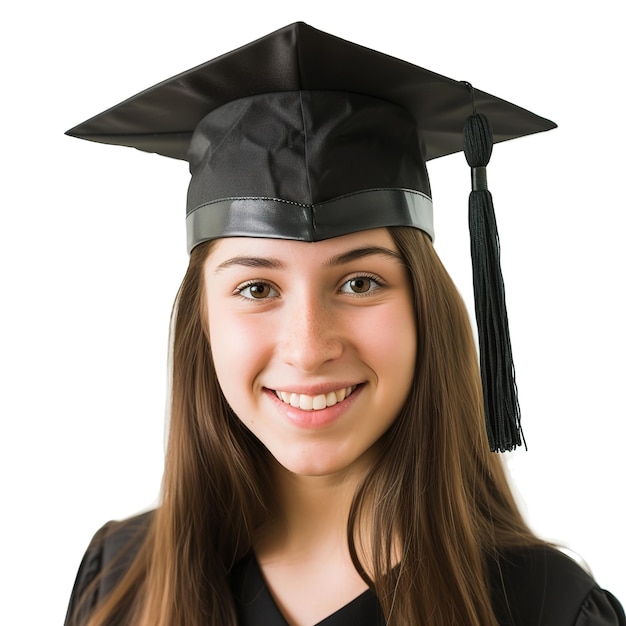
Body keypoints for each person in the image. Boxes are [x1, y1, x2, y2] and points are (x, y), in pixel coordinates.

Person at [63, 22, 625, 626]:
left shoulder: (548, 609)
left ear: (425, 311)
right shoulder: (120, 581)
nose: (308, 349)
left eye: (360, 283)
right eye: (256, 288)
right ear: (200, 323)